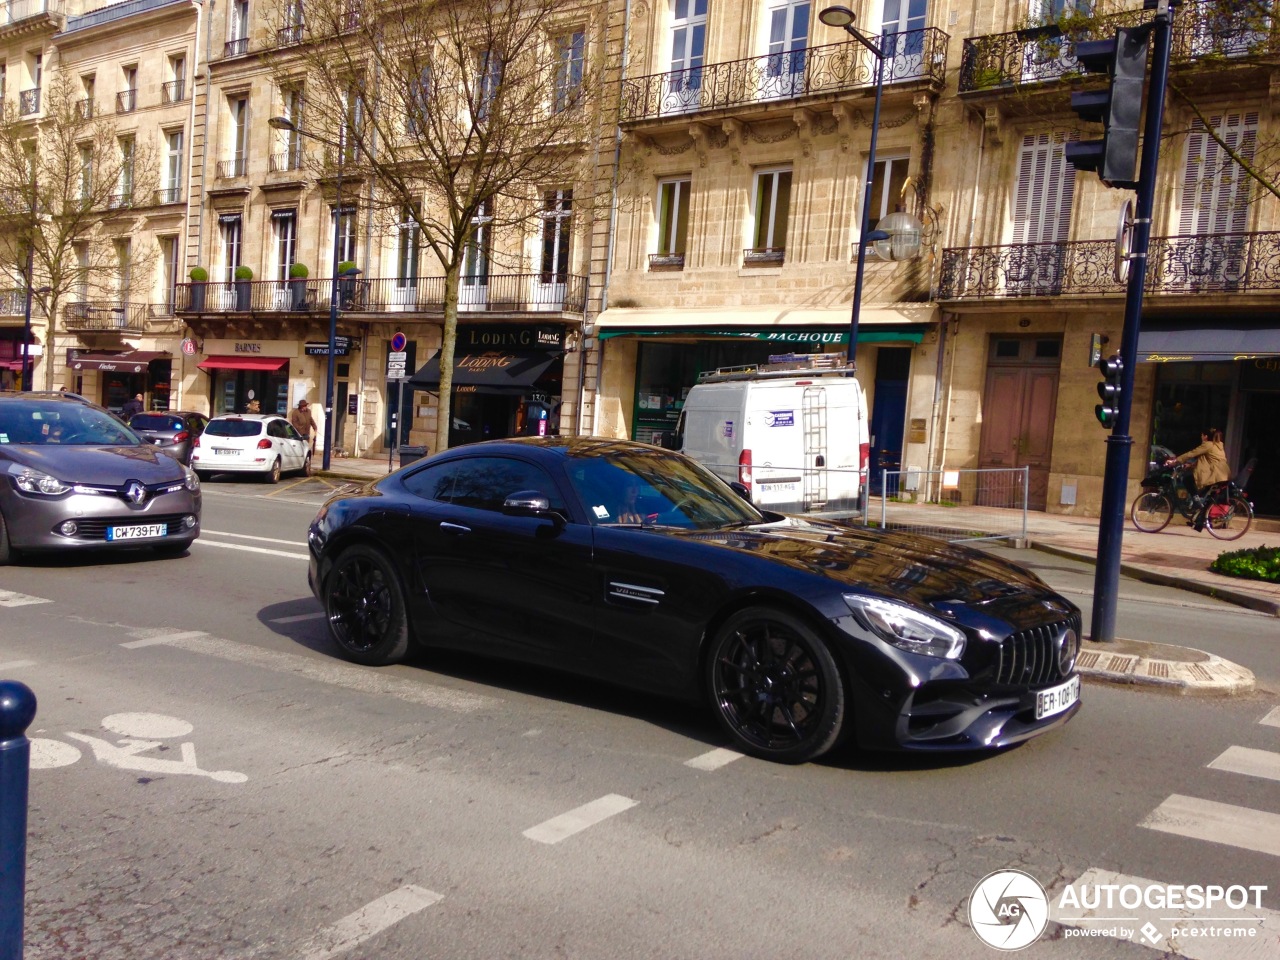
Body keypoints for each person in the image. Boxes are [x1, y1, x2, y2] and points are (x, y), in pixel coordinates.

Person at [1167, 427, 1230, 529]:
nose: (1201, 437)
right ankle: (1198, 522)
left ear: (1205, 436)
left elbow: (1191, 453)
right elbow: (1207, 459)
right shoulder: (1219, 445)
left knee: (1187, 480)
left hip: (1215, 476)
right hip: (1223, 476)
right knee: (1204, 498)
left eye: (1202, 435)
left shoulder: (1208, 444)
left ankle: (1196, 504)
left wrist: (1175, 461)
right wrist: (1191, 466)